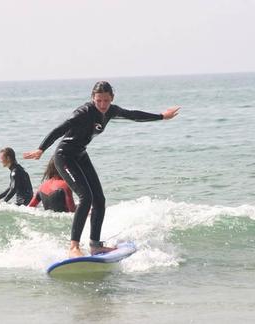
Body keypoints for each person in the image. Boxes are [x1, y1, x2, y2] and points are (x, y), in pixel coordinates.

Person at [23, 81, 180, 257]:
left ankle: (95, 245)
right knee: (86, 197)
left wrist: (161, 116)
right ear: (93, 98)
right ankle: (73, 247)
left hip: (81, 155)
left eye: (106, 100)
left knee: (99, 199)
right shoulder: (84, 112)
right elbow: (61, 128)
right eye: (99, 100)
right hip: (65, 156)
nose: (103, 105)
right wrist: (41, 148)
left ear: (111, 99)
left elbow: (133, 115)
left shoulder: (111, 110)